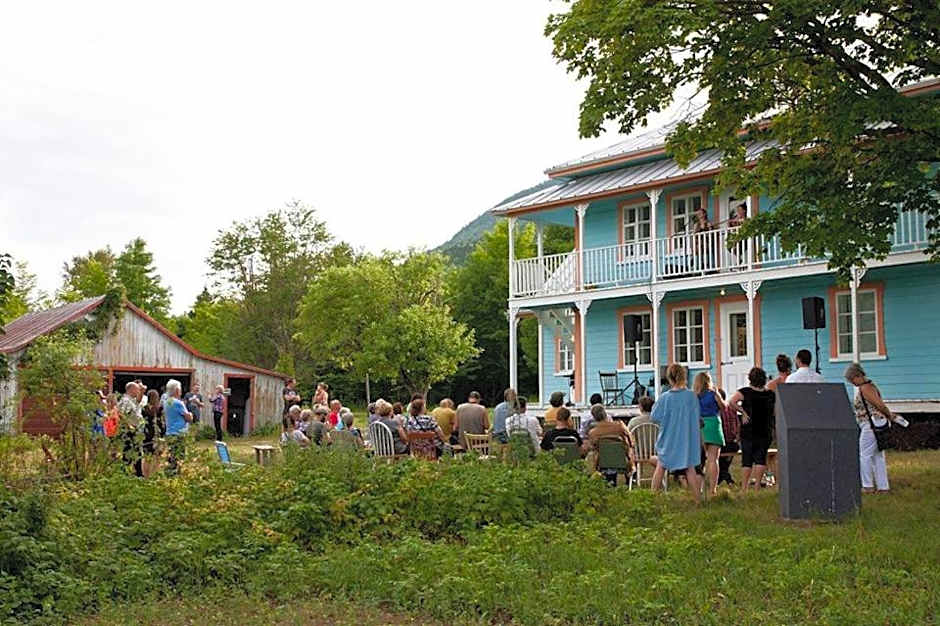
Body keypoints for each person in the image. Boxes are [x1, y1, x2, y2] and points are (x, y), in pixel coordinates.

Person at [845, 363, 904, 493]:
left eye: (851, 379)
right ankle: (883, 486)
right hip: (877, 422)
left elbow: (879, 405)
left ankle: (867, 485)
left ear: (858, 375)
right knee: (878, 455)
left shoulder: (865, 388)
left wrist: (890, 415)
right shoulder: (870, 386)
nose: (852, 382)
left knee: (864, 454)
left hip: (871, 424)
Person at [651, 364, 704, 501]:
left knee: (661, 466)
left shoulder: (664, 398)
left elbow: (654, 417)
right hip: (686, 438)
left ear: (669, 378)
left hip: (668, 438)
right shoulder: (691, 396)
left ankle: (652, 497)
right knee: (690, 468)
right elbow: (696, 417)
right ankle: (697, 500)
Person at [728, 367, 776, 492]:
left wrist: (742, 412)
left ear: (750, 379)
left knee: (747, 460)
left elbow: (731, 402)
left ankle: (744, 488)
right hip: (764, 430)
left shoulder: (745, 392)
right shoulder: (770, 394)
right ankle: (757, 486)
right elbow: (774, 411)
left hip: (748, 430)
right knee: (761, 458)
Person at [694, 372, 727, 495]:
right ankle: (713, 489)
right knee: (713, 460)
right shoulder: (713, 394)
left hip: (699, 424)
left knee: (700, 461)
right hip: (713, 424)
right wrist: (718, 395)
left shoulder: (695, 396)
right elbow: (724, 407)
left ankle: (699, 490)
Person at [586, 404, 635, 484]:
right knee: (630, 450)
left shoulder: (593, 433)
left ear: (594, 417)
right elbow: (631, 441)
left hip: (603, 462)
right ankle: (630, 480)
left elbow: (593, 448)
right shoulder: (619, 426)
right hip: (623, 460)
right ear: (605, 414)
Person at [163, 379, 193, 475]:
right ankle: (175, 475)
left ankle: (169, 474)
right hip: (179, 433)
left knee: (171, 455)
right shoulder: (178, 403)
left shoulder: (167, 401)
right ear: (176, 390)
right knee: (179, 456)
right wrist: (191, 414)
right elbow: (188, 418)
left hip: (170, 431)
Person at [118, 381, 145, 477]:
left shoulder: (131, 400)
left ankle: (137, 473)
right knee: (129, 452)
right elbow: (121, 414)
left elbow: (138, 402)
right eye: (137, 390)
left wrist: (142, 392)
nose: (138, 392)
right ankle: (126, 472)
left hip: (135, 429)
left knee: (136, 451)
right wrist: (129, 425)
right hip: (130, 431)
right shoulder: (126, 400)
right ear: (131, 389)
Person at [716, 389, 740, 486]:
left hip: (722, 444)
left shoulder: (717, 410)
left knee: (714, 454)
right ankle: (726, 477)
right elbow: (738, 426)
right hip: (733, 444)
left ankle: (723, 476)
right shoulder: (732, 409)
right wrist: (737, 439)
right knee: (724, 462)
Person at [141, 389, 163, 477]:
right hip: (156, 433)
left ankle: (146, 474)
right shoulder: (159, 409)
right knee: (156, 456)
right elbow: (161, 422)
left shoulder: (144, 408)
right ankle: (154, 473)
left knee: (147, 456)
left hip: (147, 433)